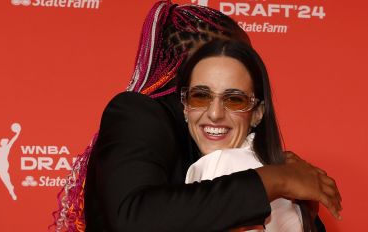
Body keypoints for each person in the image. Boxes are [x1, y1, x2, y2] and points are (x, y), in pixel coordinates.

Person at [52, 1, 342, 231]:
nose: (216, 113)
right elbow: (134, 217)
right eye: (202, 93)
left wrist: (299, 208)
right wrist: (273, 180)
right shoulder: (139, 112)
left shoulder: (240, 149)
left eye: (235, 96)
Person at [180, 39, 317, 231]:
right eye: (200, 96)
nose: (215, 114)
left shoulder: (222, 165)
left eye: (235, 100)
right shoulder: (269, 168)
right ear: (185, 106)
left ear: (257, 113)